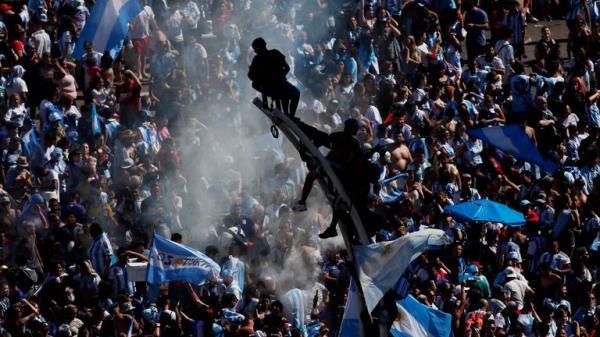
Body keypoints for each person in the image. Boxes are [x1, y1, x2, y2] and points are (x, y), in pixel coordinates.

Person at [248, 37, 300, 116]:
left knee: (293, 93)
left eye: (256, 48)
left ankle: (290, 117)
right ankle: (289, 116)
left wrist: (279, 77)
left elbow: (250, 75)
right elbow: (287, 68)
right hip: (272, 87)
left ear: (261, 46)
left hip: (277, 85)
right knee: (292, 94)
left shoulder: (259, 59)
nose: (255, 51)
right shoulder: (272, 54)